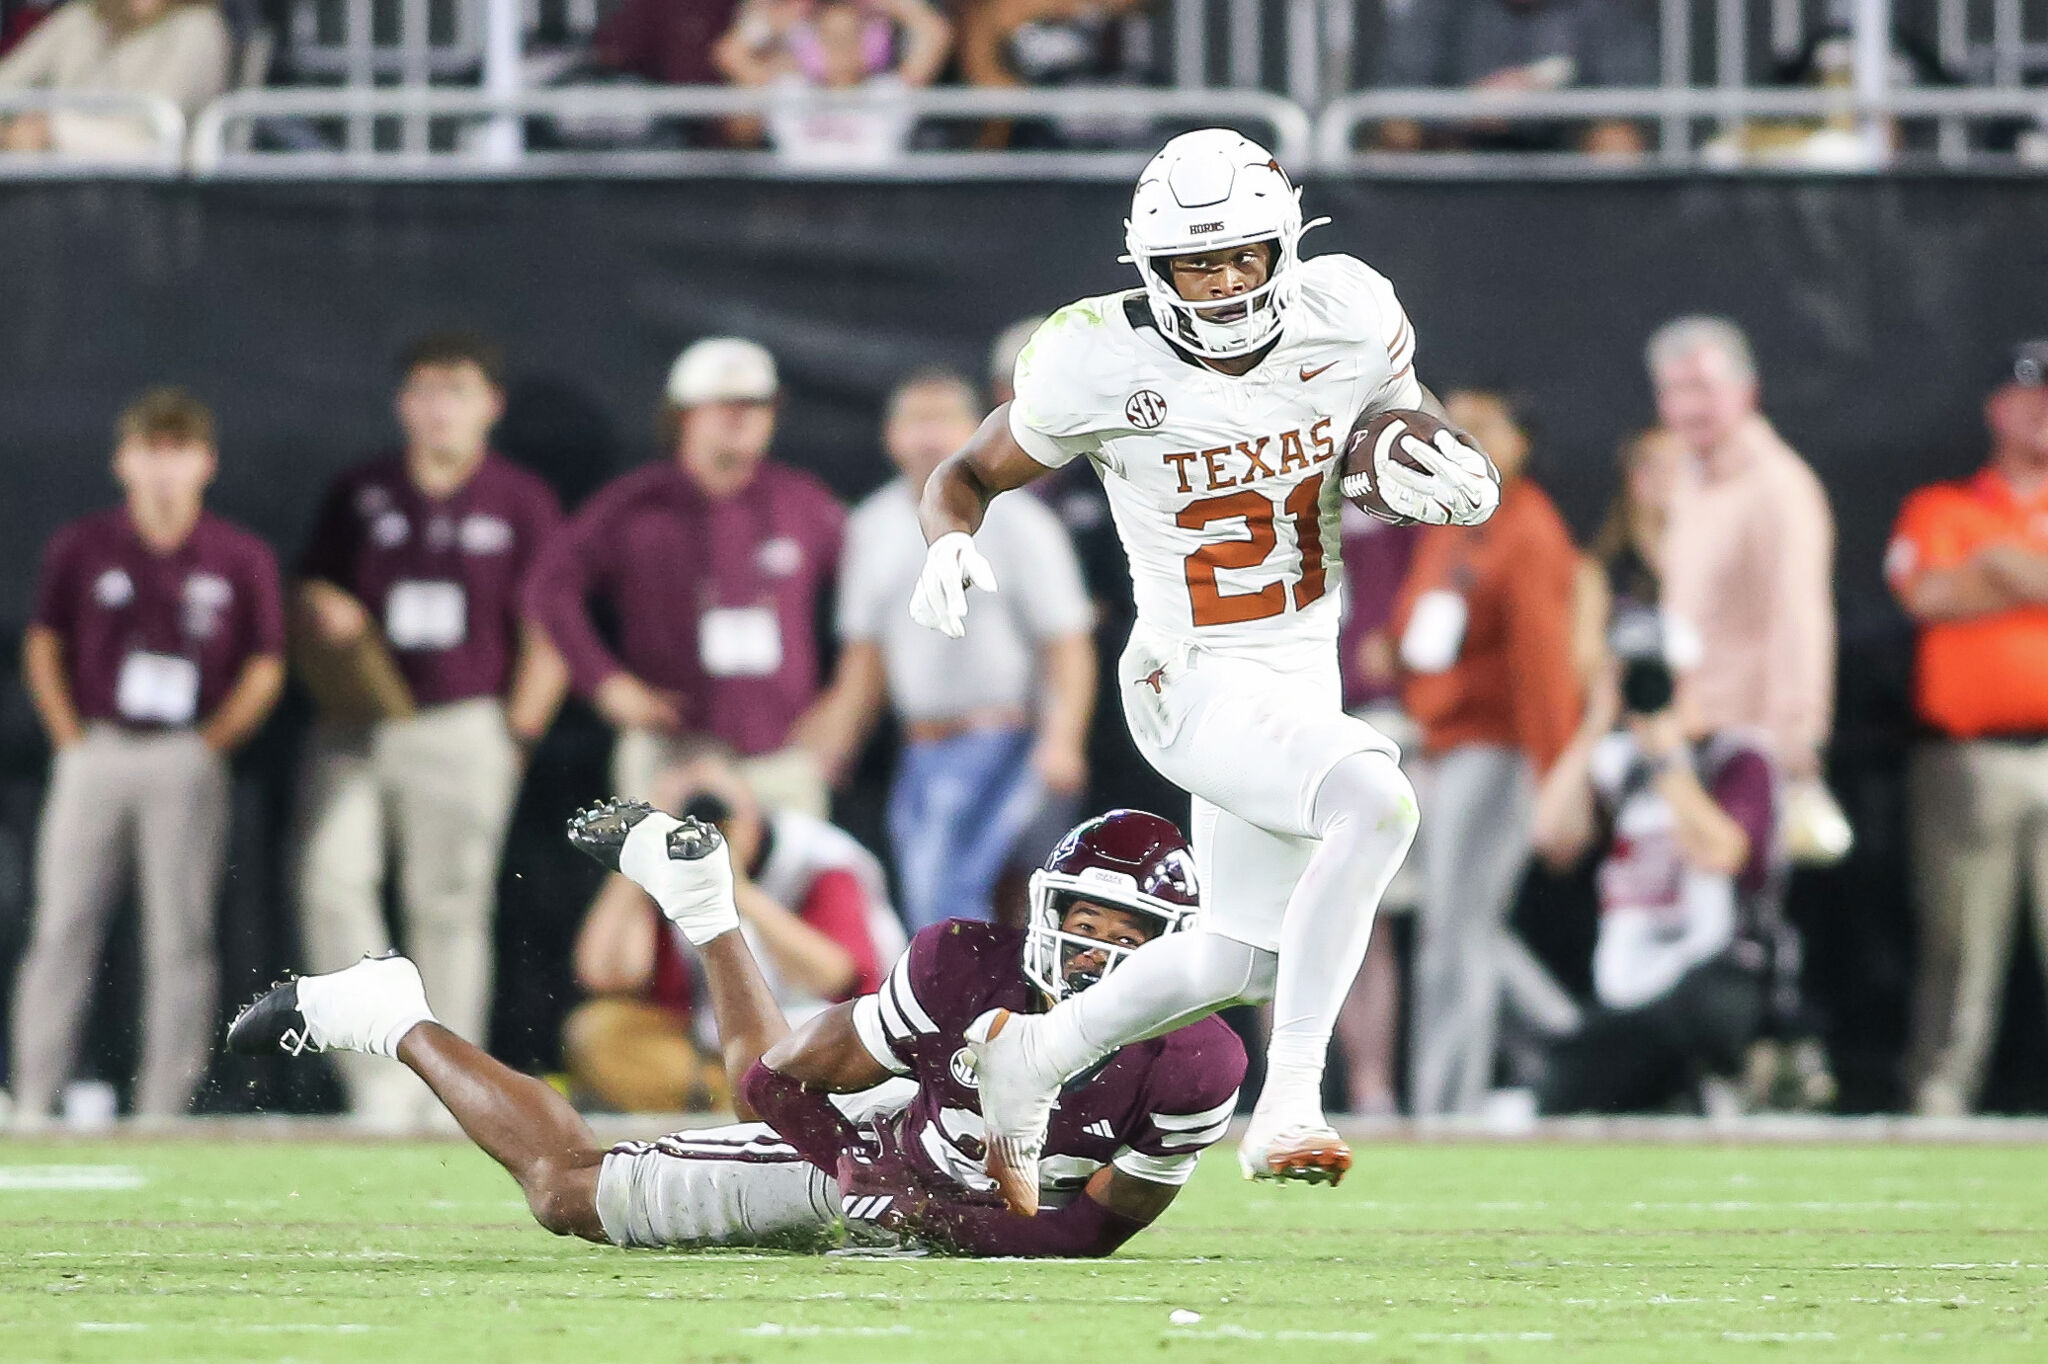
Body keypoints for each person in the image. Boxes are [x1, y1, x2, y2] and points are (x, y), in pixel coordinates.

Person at [906, 128, 1500, 1209]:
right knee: (1375, 803)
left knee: (1239, 957)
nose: (1223, 282)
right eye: (1195, 262)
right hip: (1186, 672)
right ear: (1149, 267)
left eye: (1241, 256)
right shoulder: (1094, 356)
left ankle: (1028, 1056)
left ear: (1286, 247)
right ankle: (1291, 1099)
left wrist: (1433, 463)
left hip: (1299, 670)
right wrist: (948, 536)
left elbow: (1400, 418)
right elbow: (966, 470)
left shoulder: (1349, 309)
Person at [228, 804, 1244, 1258]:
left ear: (1176, 950)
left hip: (939, 1202)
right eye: (1079, 924)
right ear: (1041, 910)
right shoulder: (961, 963)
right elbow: (772, 1083)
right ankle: (386, 1009)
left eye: (1129, 936)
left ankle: (702, 898)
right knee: (568, 1194)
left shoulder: (1199, 1057)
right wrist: (864, 1174)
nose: (1094, 958)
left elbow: (1098, 1231)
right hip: (895, 1146)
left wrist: (941, 1226)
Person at [294, 331, 566, 1129]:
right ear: (402, 403)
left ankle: (450, 1091)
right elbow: (308, 597)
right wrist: (323, 611)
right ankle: (376, 1080)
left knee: (448, 902)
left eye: (457, 389)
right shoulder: (362, 492)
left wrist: (519, 727)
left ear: (491, 405)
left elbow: (549, 622)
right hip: (359, 724)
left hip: (462, 720)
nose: (439, 406)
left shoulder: (520, 498)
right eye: (425, 389)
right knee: (330, 879)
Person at [11, 387, 283, 1126]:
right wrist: (67, 734)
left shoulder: (237, 555)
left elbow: (266, 661)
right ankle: (35, 1095)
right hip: (98, 745)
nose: (163, 469)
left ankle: (165, 1103)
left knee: (180, 932)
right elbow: (43, 642)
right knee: (63, 922)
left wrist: (214, 741)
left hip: (185, 753)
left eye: (178, 452)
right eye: (149, 452)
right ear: (123, 460)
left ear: (206, 462)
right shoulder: (84, 546)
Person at [806, 369, 1095, 931]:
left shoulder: (1019, 521)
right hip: (922, 750)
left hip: (1007, 743)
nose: (929, 438)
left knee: (958, 896)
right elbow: (866, 656)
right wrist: (835, 742)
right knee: (927, 895)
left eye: (943, 421)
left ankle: (972, 1016)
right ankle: (960, 1012)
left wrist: (1063, 741)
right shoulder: (871, 526)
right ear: (891, 436)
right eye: (916, 422)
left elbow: (1067, 644)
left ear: (976, 429)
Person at [526, 337, 844, 818]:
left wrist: (841, 705)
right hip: (672, 752)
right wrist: (607, 683)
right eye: (723, 406)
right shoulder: (632, 505)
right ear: (683, 415)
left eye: (756, 405)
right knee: (664, 889)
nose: (741, 418)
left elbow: (872, 606)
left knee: (789, 888)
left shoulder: (803, 502)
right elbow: (549, 588)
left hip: (780, 755)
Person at [1650, 315, 1837, 1101]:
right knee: (1704, 919)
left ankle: (1779, 1060)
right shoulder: (1691, 478)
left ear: (1746, 390)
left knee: (1749, 921)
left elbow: (1802, 613)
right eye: (1675, 388)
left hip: (1755, 737)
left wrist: (1799, 732)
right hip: (1698, 731)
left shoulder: (1776, 484)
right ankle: (1733, 1071)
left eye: (1704, 385)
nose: (1690, 404)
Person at [1389, 389, 1582, 1117]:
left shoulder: (1527, 529)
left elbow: (1545, 670)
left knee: (1454, 935)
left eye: (1480, 427)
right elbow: (1419, 625)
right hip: (1440, 746)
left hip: (1496, 751)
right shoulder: (1451, 520)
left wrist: (1557, 776)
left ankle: (1446, 1106)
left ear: (1519, 441)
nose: (1459, 438)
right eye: (1451, 425)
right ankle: (1576, 1040)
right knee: (1462, 926)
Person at [1530, 612, 1780, 1114]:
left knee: (1689, 1022)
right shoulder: (1619, 764)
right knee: (1561, 1093)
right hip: (1629, 984)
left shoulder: (1736, 759)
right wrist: (1595, 724)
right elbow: (1550, 837)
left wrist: (1667, 749)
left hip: (1715, 971)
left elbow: (1722, 853)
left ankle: (1721, 1089)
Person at [563, 741, 897, 1112]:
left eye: (719, 811)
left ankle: (764, 1101)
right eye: (689, 816)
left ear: (752, 805)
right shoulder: (668, 861)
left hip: (819, 1043)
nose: (705, 828)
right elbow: (605, 974)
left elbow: (834, 977)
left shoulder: (817, 859)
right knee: (598, 1030)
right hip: (717, 1050)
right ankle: (745, 1100)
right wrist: (636, 851)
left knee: (827, 1052)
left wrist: (733, 887)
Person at [1889, 340, 2048, 1117]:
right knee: (1960, 948)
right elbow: (1928, 596)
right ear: (1997, 407)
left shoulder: (1984, 531)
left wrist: (2003, 566)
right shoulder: (1944, 505)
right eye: (2028, 396)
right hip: (1971, 757)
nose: (2041, 409)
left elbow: (1970, 583)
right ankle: (1940, 1099)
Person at [1375, 0, 1654, 156]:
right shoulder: (1439, 9)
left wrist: (1543, 103)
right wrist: (1466, 110)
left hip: (1565, 162)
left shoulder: (1599, 11)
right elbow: (1393, 119)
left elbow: (1628, 114)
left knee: (1616, 142)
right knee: (1395, 145)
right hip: (1458, 155)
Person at [714, 0, 951, 167]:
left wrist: (884, 4)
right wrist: (786, 15)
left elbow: (935, 33)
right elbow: (730, 54)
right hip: (803, 210)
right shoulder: (790, 91)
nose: (841, 48)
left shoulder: (888, 93)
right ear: (810, 45)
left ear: (872, 44)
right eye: (829, 38)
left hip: (874, 214)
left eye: (851, 37)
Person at [0, 0, 228, 158]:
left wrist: (52, 132)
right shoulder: (81, 18)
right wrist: (8, 132)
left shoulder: (198, 29)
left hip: (150, 200)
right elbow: (9, 80)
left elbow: (150, 140)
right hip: (54, 185)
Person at [1573, 427, 1684, 687]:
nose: (1665, 477)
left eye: (1678, 465)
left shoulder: (1717, 564)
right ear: (1630, 475)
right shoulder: (1598, 571)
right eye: (1652, 466)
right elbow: (1584, 662)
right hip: (1626, 711)